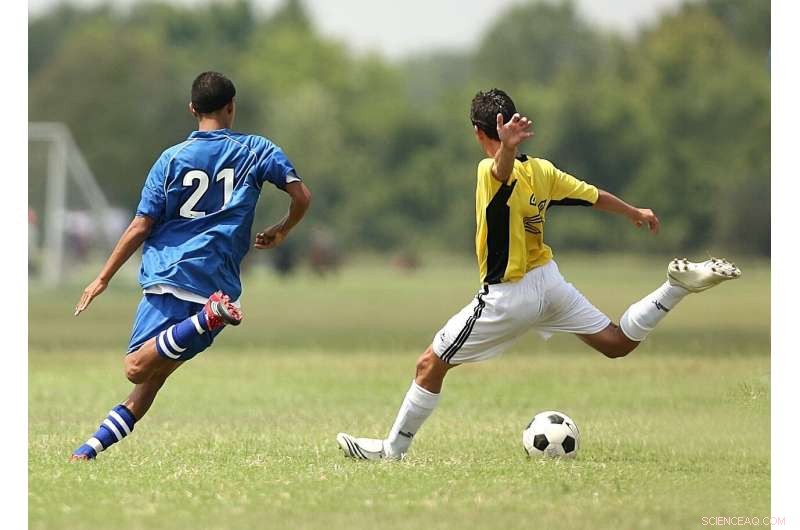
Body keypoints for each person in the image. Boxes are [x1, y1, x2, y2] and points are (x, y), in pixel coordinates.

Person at [336, 88, 740, 460]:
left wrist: (505, 150)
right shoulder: (542, 171)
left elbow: (499, 172)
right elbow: (592, 194)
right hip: (549, 281)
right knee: (616, 342)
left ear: (478, 132)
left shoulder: (487, 170)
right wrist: (633, 211)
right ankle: (674, 287)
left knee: (430, 364)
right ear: (510, 123)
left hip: (509, 295)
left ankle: (393, 450)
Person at [70, 71, 311, 460]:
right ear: (232, 107)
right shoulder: (257, 150)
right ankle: (88, 450)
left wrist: (101, 278)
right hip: (218, 282)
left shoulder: (170, 160)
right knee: (150, 382)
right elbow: (302, 196)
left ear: (192, 109)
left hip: (171, 275)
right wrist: (282, 230)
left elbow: (141, 225)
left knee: (135, 367)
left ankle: (205, 318)